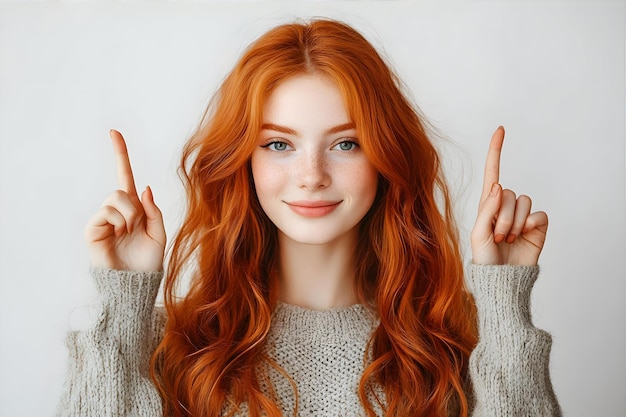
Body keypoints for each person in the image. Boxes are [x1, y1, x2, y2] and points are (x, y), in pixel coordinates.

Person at [57, 18, 561, 417]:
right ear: (243, 161)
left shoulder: (460, 342)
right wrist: (123, 300)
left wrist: (504, 296)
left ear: (386, 157)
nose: (312, 175)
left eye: (345, 143)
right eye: (279, 144)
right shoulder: (171, 346)